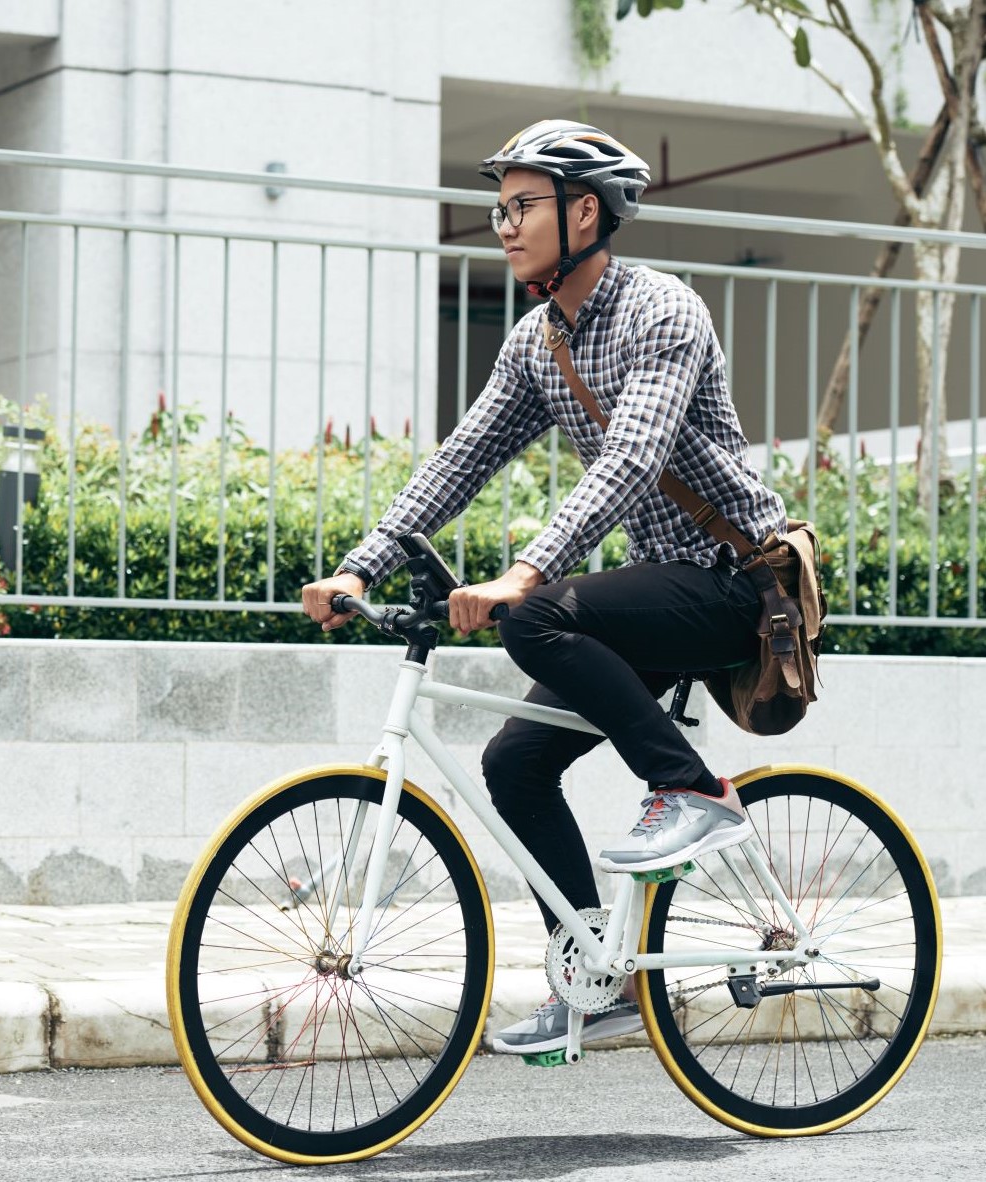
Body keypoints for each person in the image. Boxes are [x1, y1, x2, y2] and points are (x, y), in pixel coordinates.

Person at [300, 119, 787, 1057]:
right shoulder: (537, 341)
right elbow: (461, 459)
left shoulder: (664, 310)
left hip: (735, 584)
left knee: (542, 617)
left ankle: (693, 791)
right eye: (500, 206)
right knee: (513, 766)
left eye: (522, 205)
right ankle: (592, 976)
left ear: (585, 211)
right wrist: (361, 563)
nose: (503, 224)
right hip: (657, 590)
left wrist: (525, 575)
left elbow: (632, 461)